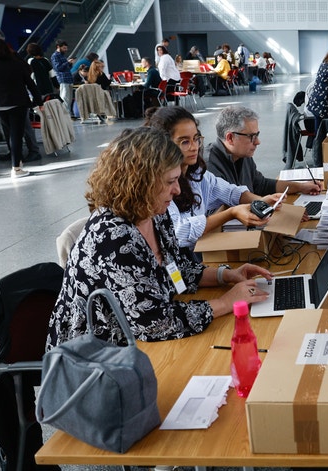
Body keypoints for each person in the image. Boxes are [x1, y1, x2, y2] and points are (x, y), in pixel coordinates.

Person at [46, 127, 272, 349]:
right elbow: (152, 322)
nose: (177, 190)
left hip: (136, 340)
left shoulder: (154, 213)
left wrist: (226, 275)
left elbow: (176, 270)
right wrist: (225, 302)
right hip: (95, 353)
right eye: (170, 182)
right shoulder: (113, 237)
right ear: (139, 183)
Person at [144, 107, 268, 250]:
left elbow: (230, 192)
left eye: (196, 139)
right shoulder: (156, 183)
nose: (194, 147)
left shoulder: (196, 173)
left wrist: (263, 203)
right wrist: (230, 213)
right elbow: (178, 232)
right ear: (164, 145)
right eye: (185, 142)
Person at [207, 106, 322, 196]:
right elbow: (225, 208)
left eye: (257, 135)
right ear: (230, 138)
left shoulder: (242, 154)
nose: (257, 142)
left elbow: (262, 185)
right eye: (251, 136)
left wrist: (301, 187)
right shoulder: (208, 168)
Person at [0, 38, 42, 179]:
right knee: (16, 135)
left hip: (0, 105)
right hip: (19, 103)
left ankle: (17, 163)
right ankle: (16, 167)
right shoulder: (17, 64)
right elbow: (30, 84)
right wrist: (39, 102)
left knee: (11, 135)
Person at [50, 40, 75, 117]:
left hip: (68, 79)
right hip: (62, 79)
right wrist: (68, 62)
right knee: (64, 98)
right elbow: (58, 68)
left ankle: (68, 114)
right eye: (64, 48)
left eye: (66, 48)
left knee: (69, 99)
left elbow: (66, 68)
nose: (66, 50)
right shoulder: (55, 56)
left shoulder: (62, 55)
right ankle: (64, 115)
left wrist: (69, 63)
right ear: (58, 47)